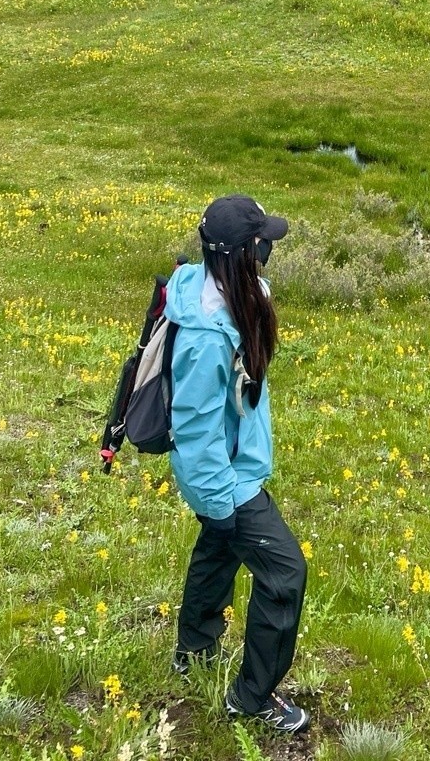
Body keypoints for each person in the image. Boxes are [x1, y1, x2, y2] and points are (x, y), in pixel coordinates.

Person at [165, 193, 309, 735]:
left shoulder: (227, 291)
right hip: (225, 476)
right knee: (284, 574)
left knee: (218, 550)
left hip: (231, 465)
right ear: (242, 254)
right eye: (261, 243)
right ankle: (252, 697)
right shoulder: (205, 335)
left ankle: (192, 653)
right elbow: (196, 429)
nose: (268, 248)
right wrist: (221, 500)